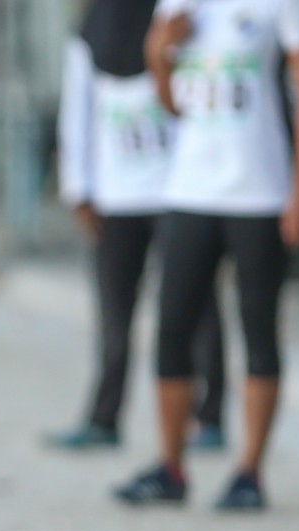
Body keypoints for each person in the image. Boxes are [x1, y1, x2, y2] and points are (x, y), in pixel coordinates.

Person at [116, 0, 299, 509]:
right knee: (173, 328)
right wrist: (157, 53)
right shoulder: (177, 4)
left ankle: (249, 472)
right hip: (189, 188)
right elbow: (172, 105)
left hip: (259, 191)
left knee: (259, 329)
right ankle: (171, 467)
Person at [49, 0, 228, 452]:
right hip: (117, 191)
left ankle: (209, 416)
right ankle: (104, 416)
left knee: (196, 306)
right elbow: (78, 110)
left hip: (180, 188)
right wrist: (79, 186)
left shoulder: (179, 15)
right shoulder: (94, 27)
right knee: (114, 313)